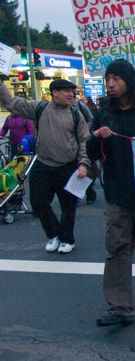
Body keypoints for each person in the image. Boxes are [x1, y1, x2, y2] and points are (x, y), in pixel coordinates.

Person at [87, 59, 135, 326]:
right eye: (108, 79)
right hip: (117, 193)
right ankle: (120, 307)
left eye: (116, 79)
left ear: (129, 82)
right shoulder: (104, 114)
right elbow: (92, 153)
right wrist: (96, 137)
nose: (110, 84)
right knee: (117, 248)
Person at [0, 78, 90, 254]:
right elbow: (11, 103)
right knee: (38, 202)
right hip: (43, 164)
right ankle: (54, 234)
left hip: (67, 165)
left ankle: (67, 239)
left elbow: (84, 140)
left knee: (68, 206)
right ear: (55, 93)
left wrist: (84, 163)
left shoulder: (76, 114)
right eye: (66, 91)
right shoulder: (40, 108)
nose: (71, 94)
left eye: (72, 91)